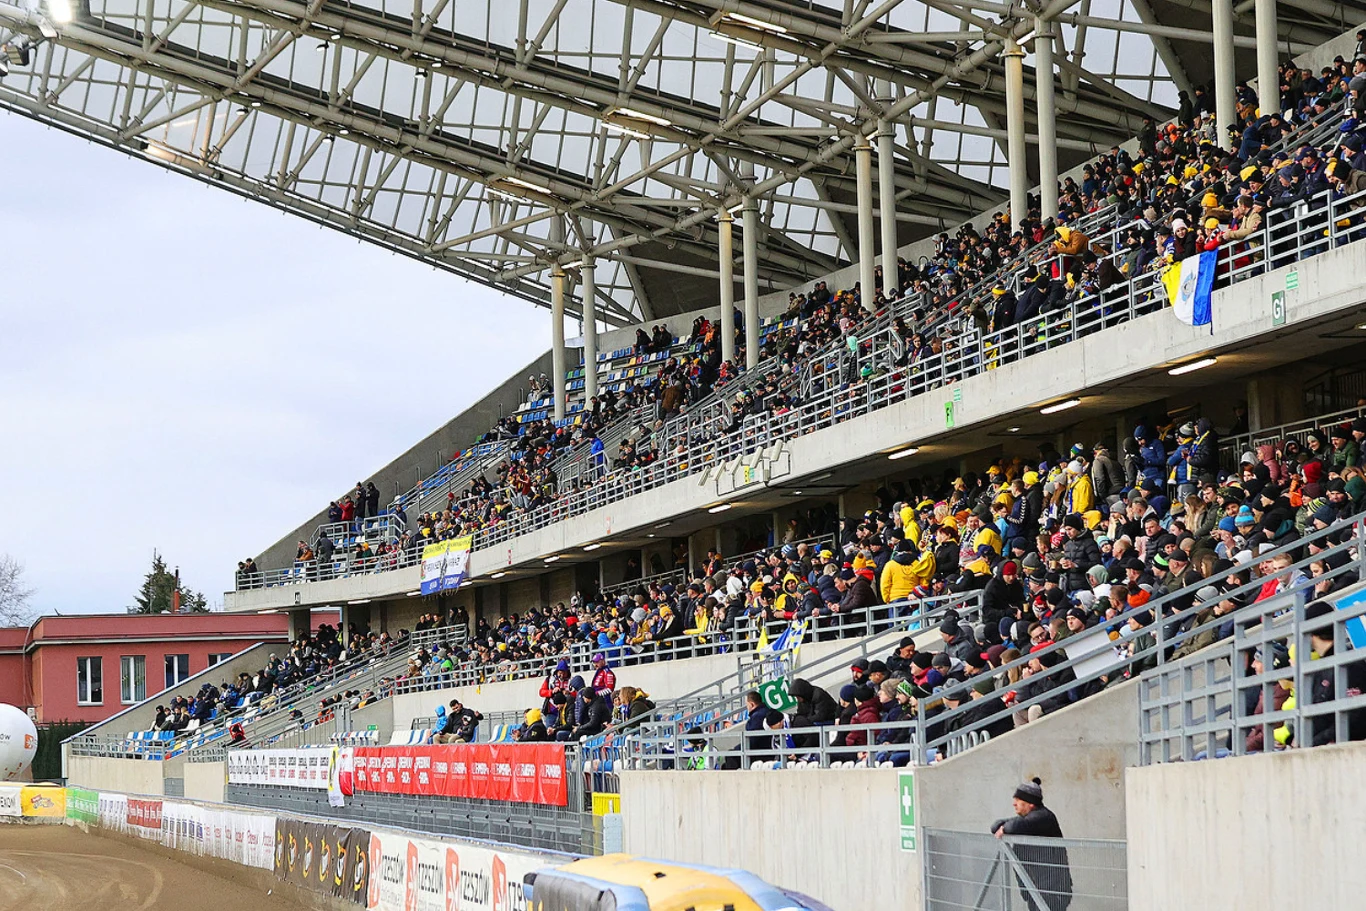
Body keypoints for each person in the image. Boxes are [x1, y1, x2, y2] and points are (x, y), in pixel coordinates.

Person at [990, 778, 1073, 911]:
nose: (1014, 804)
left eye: (1018, 800)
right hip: (1035, 887)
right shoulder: (1028, 820)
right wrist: (1004, 827)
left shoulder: (1043, 817)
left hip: (1052, 890)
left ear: (1031, 804)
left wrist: (1004, 829)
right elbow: (995, 826)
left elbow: (1013, 826)